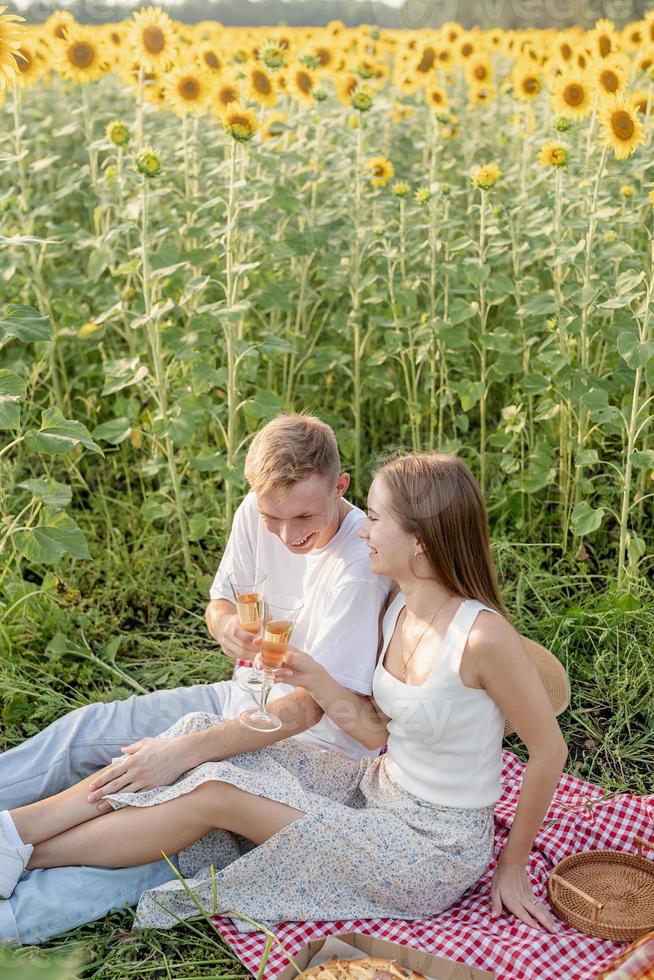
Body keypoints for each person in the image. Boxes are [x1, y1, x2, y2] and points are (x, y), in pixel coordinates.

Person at [1, 453, 567, 937]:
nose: (362, 529)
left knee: (218, 793)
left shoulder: (484, 636)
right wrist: (316, 675)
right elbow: (379, 734)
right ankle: (18, 836)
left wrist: (511, 865)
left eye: (374, 518)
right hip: (375, 793)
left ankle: (22, 847)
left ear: (419, 541)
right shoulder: (400, 606)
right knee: (199, 734)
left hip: (428, 850)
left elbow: (549, 752)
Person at [0, 414, 391, 944]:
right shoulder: (259, 511)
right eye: (273, 517)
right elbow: (221, 600)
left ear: (341, 487)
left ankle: (14, 912)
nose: (288, 534)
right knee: (88, 730)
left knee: (156, 838)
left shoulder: (357, 569)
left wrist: (185, 751)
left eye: (305, 517)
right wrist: (226, 624)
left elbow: (304, 709)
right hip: (238, 697)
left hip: (305, 747)